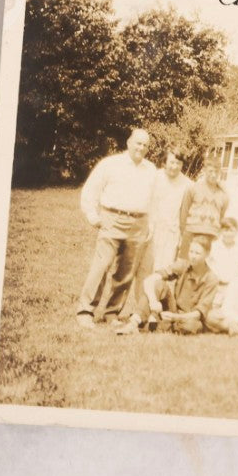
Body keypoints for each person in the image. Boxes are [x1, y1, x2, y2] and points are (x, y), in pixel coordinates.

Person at [76, 128, 157, 329]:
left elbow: (155, 199)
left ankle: (112, 312)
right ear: (129, 142)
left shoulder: (151, 170)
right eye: (138, 143)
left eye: (146, 145)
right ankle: (85, 310)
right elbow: (91, 189)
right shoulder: (110, 164)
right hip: (112, 219)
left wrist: (151, 224)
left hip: (139, 224)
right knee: (101, 266)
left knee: (126, 272)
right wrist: (92, 216)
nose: (141, 147)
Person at [116, 237, 219, 336]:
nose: (193, 256)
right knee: (158, 283)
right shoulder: (183, 265)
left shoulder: (211, 279)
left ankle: (156, 324)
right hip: (174, 308)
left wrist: (175, 317)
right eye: (191, 251)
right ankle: (134, 323)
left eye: (197, 253)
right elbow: (149, 280)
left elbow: (198, 313)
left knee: (191, 326)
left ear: (207, 254)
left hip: (190, 317)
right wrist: (153, 302)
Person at [147, 146, 192, 269]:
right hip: (150, 230)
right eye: (172, 162)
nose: (174, 166)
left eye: (178, 163)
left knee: (163, 271)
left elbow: (187, 213)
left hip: (171, 234)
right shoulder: (154, 177)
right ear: (165, 163)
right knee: (145, 269)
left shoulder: (187, 185)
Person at [178, 156, 229, 257]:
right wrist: (184, 233)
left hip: (211, 236)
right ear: (205, 170)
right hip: (191, 232)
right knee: (184, 264)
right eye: (210, 171)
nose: (213, 175)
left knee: (204, 267)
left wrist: (216, 235)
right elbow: (183, 212)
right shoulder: (193, 188)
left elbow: (222, 217)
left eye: (216, 172)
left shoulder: (223, 194)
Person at [208, 217, 238, 299]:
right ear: (221, 231)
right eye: (226, 231)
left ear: (236, 232)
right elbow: (208, 267)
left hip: (234, 288)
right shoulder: (214, 247)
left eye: (231, 231)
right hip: (217, 287)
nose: (228, 234)